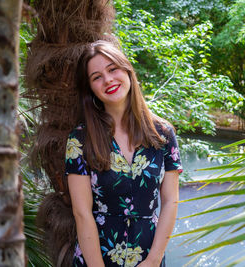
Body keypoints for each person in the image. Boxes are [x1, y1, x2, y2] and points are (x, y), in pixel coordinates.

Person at [65, 40, 182, 267]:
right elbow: (82, 213)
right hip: (96, 258)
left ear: (127, 70)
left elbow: (170, 202)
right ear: (90, 89)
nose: (108, 80)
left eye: (112, 69)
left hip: (149, 255)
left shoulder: (163, 134)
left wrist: (153, 260)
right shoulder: (79, 139)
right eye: (96, 77)